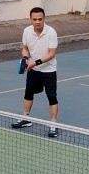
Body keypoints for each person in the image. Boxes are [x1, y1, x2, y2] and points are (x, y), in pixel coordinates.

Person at [11, 7, 60, 138]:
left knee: (52, 97)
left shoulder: (51, 32)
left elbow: (52, 54)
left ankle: (53, 125)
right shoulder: (27, 31)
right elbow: (25, 48)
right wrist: (25, 58)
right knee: (28, 94)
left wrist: (35, 62)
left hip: (48, 70)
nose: (37, 22)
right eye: (35, 19)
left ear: (44, 18)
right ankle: (26, 119)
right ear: (31, 19)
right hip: (33, 70)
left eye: (40, 19)